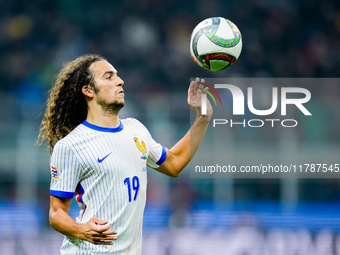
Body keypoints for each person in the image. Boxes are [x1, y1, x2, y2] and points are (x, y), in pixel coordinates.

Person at [38, 54, 212, 255]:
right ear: (88, 90)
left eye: (117, 76)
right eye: (108, 77)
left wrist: (203, 118)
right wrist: (81, 229)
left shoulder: (136, 130)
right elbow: (56, 213)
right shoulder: (70, 146)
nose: (120, 81)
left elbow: (174, 164)